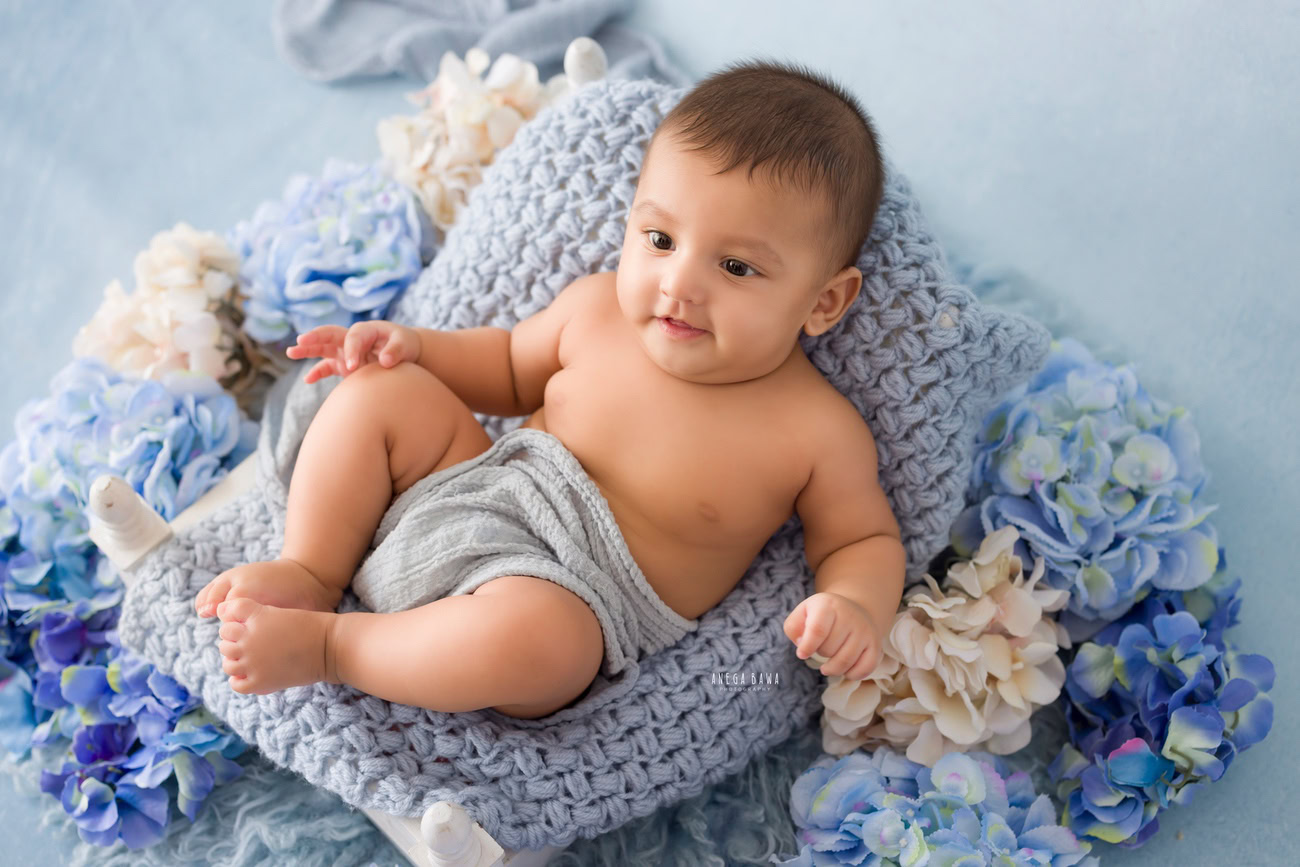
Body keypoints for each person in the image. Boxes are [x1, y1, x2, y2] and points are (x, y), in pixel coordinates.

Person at [193, 59, 905, 720]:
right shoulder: (596, 309)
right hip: (472, 487)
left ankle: (331, 646)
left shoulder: (816, 429)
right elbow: (503, 368)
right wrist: (418, 347)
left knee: (546, 644)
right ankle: (312, 567)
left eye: (737, 267)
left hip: (570, 595)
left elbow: (862, 537)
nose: (679, 284)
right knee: (386, 392)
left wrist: (854, 605)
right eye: (660, 240)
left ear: (825, 302)